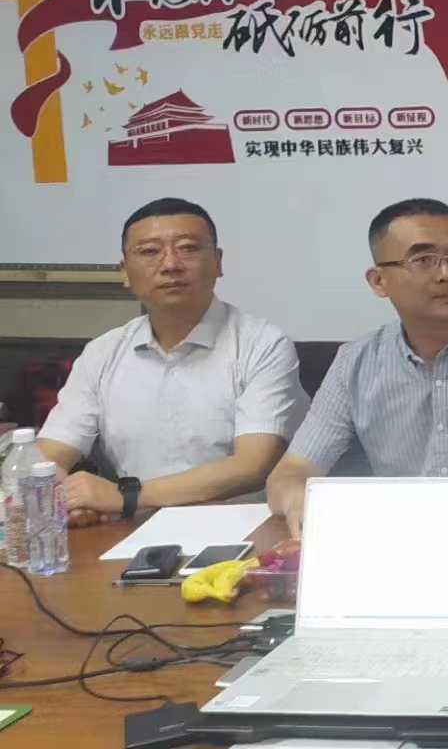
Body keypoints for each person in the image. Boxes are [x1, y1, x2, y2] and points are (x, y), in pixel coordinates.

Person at [267, 198, 448, 535]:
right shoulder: (355, 361)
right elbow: (292, 470)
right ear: (379, 281)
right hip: (397, 538)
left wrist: (407, 511)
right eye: (423, 260)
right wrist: (296, 497)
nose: (447, 274)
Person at [36, 198, 306, 525]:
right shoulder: (102, 353)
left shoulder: (262, 344)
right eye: (149, 252)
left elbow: (252, 465)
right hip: (128, 530)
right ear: (125, 271)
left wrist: (126, 496)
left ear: (218, 262)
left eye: (188, 248)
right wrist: (64, 498)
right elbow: (49, 454)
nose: (170, 264)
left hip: (242, 528)